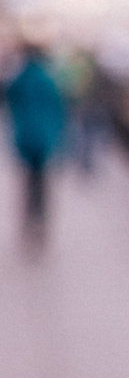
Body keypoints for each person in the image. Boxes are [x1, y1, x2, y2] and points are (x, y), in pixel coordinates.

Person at [5, 36, 67, 245]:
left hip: (24, 139)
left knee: (27, 183)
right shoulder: (50, 81)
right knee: (42, 185)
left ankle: (26, 222)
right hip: (45, 140)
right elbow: (59, 112)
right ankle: (40, 222)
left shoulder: (19, 79)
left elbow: (10, 101)